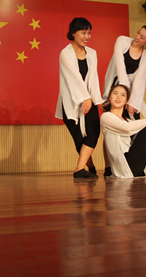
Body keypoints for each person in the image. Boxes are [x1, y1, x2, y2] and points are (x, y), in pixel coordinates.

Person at [55, 17, 104, 178]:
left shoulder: (92, 53)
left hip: (89, 99)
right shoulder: (65, 53)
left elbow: (93, 79)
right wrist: (85, 98)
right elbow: (73, 78)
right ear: (73, 33)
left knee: (93, 133)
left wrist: (96, 100)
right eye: (83, 32)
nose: (87, 36)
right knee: (79, 138)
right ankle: (87, 167)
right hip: (70, 102)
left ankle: (79, 169)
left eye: (89, 33)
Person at [102, 25, 146, 120]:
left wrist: (132, 102)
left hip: (130, 91)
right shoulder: (122, 40)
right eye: (138, 33)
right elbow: (120, 65)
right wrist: (124, 88)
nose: (137, 37)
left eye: (142, 37)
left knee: (133, 118)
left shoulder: (145, 58)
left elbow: (139, 81)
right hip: (116, 87)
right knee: (112, 119)